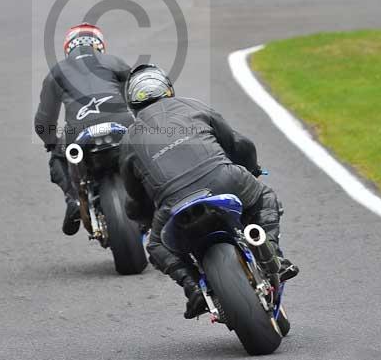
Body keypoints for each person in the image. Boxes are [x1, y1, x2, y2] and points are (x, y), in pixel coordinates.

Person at [119, 64, 299, 320]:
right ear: (168, 90)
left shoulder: (128, 139)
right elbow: (239, 144)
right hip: (224, 179)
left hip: (174, 202)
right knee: (264, 196)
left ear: (131, 105)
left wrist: (145, 218)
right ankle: (275, 258)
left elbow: (134, 197)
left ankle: (193, 288)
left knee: (156, 244)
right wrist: (252, 169)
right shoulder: (193, 106)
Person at [34, 24, 133, 236]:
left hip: (80, 131)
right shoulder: (114, 61)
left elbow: (44, 120)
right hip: (121, 124)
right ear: (99, 45)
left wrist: (52, 142)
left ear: (68, 48)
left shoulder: (57, 72)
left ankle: (73, 201)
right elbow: (136, 95)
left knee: (57, 156)